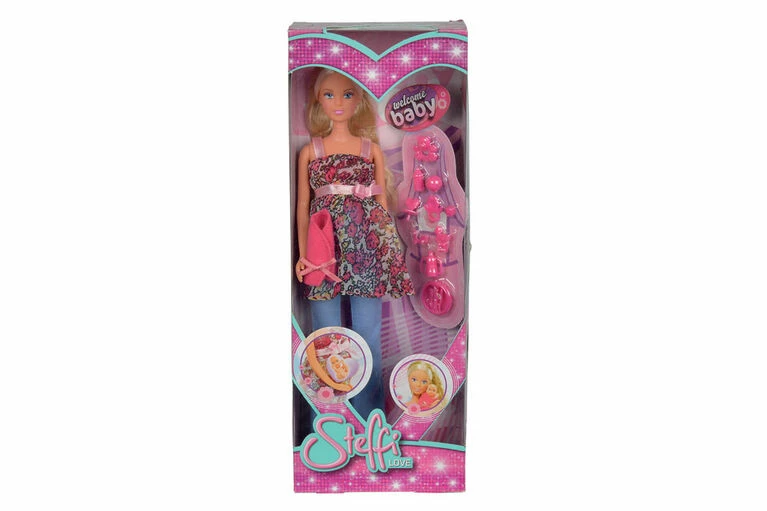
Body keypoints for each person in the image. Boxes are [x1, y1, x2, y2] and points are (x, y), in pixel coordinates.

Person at [295, 69, 413, 419]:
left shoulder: (370, 150)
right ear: (318, 100)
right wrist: (303, 255)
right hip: (322, 251)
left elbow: (381, 206)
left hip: (365, 249)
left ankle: (370, 417)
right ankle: (329, 418)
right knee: (324, 337)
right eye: (329, 94)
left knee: (368, 334)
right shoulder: (311, 151)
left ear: (359, 99)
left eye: (348, 94)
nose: (339, 102)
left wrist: (387, 254)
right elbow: (303, 206)